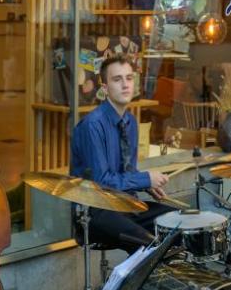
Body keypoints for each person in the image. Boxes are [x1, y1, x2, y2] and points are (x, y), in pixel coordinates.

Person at [70, 54, 172, 253]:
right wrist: (144, 179)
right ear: (105, 88)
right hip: (95, 211)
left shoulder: (131, 122)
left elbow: (126, 171)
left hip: (127, 204)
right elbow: (102, 182)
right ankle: (128, 284)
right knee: (149, 243)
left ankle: (158, 283)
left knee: (179, 223)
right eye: (117, 79)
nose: (125, 84)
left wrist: (147, 186)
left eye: (129, 78)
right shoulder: (92, 125)